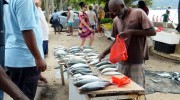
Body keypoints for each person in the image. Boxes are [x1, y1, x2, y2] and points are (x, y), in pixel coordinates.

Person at [99, 0, 156, 97]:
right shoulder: (116, 20)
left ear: (122, 5)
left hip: (136, 60)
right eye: (112, 11)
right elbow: (116, 41)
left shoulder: (138, 13)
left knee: (137, 91)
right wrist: (104, 53)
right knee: (122, 89)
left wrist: (131, 31)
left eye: (116, 10)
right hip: (121, 62)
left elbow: (152, 32)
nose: (114, 14)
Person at [4, 0, 47, 100]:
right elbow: (26, 30)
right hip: (25, 58)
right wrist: (38, 58)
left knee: (19, 94)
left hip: (14, 59)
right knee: (25, 97)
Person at [35, 0, 48, 86]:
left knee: (43, 57)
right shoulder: (33, 8)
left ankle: (39, 75)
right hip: (39, 39)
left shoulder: (39, 9)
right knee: (37, 59)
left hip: (44, 37)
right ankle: (36, 78)